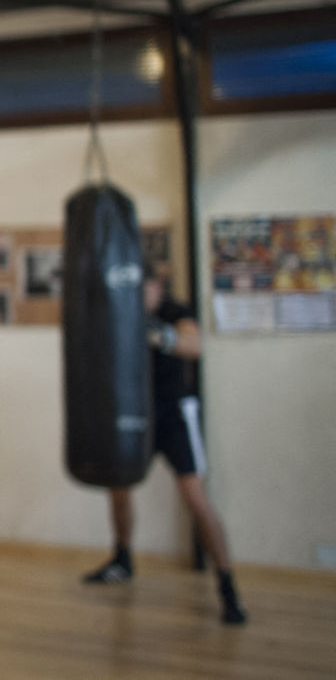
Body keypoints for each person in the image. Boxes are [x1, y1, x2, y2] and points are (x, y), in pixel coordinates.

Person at [82, 264, 248, 625]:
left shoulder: (175, 312)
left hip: (174, 416)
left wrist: (155, 333)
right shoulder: (120, 312)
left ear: (157, 286)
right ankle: (122, 559)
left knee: (195, 497)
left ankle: (227, 586)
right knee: (118, 487)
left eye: (144, 289)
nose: (139, 296)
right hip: (134, 414)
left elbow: (193, 345)